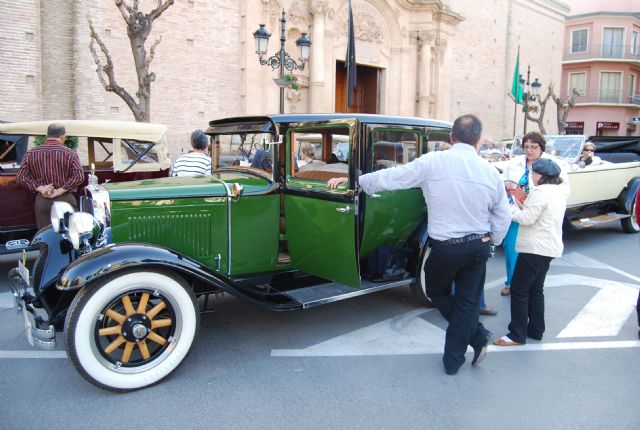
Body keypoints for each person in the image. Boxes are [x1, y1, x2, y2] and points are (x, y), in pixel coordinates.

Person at [328, 114, 511, 374]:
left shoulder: (433, 162)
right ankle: (460, 354)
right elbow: (503, 215)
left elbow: (393, 177)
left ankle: (470, 345)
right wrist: (493, 240)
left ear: (451, 137)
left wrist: (356, 182)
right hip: (477, 247)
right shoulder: (490, 172)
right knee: (468, 302)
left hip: (446, 247)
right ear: (478, 140)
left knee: (437, 292)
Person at [494, 158, 567, 346]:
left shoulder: (540, 192)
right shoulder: (559, 192)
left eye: (534, 173)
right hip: (549, 247)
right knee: (536, 290)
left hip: (534, 248)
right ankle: (536, 330)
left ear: (541, 176)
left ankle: (516, 334)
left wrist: (510, 209)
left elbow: (527, 219)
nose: (532, 177)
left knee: (519, 290)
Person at [500, 132, 569, 296]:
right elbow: (504, 182)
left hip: (539, 215)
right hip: (516, 211)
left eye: (534, 147)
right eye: (526, 147)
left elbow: (564, 191)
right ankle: (511, 281)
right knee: (511, 247)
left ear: (541, 147)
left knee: (533, 253)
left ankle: (526, 286)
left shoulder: (554, 165)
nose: (529, 150)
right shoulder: (514, 163)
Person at [16, 123, 84, 230]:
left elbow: (21, 177)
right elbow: (79, 176)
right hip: (65, 199)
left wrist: (41, 188)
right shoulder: (70, 153)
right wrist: (59, 191)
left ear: (46, 135)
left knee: (45, 235)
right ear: (62, 137)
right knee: (72, 235)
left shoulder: (31, 153)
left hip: (43, 200)